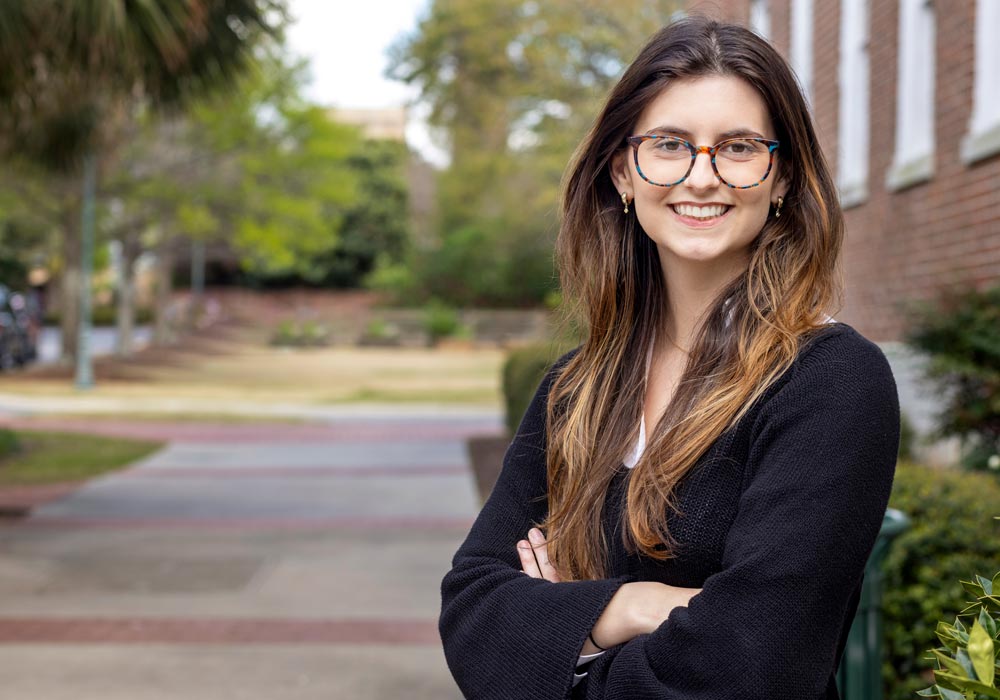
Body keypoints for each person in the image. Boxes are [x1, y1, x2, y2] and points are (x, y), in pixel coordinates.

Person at [439, 15, 899, 700]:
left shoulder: (830, 382)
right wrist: (637, 606)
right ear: (624, 170)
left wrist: (560, 633)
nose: (701, 176)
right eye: (669, 144)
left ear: (781, 179)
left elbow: (750, 666)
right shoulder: (575, 387)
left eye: (738, 147)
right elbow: (473, 613)